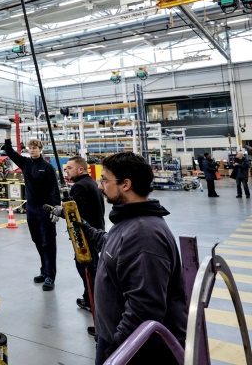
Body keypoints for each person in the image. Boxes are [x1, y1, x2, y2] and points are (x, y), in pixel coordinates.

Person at [79, 152, 186, 364]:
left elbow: (144, 308)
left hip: (134, 351)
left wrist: (117, 349)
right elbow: (113, 245)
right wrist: (87, 230)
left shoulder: (143, 235)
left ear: (125, 184)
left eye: (105, 180)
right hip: (115, 339)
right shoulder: (130, 222)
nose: (101, 186)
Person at [3, 133, 61, 291]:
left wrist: (56, 208)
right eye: (30, 148)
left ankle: (50, 276)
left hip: (45, 209)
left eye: (35, 148)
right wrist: (8, 134)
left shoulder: (48, 167)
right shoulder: (26, 163)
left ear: (40, 149)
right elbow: (9, 151)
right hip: (31, 210)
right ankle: (44, 271)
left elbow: (54, 189)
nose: (33, 150)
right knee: (37, 241)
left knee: (48, 243)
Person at [60, 157, 105, 314]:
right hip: (97, 231)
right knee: (93, 268)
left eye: (70, 168)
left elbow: (77, 215)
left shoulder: (78, 187)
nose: (67, 170)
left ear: (81, 169)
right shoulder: (92, 183)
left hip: (86, 236)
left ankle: (94, 303)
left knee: (86, 269)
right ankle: (89, 299)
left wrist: (61, 211)